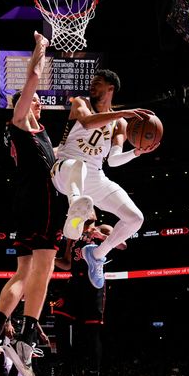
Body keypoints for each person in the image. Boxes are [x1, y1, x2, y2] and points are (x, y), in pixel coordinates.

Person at [0, 31, 64, 376]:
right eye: (33, 100)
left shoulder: (39, 133)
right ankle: (23, 342)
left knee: (23, 274)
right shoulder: (21, 122)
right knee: (46, 266)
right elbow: (34, 80)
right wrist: (40, 48)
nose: (38, 102)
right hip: (40, 202)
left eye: (37, 100)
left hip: (26, 202)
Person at [50, 69, 158, 289]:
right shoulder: (81, 102)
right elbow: (89, 123)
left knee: (135, 218)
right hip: (64, 169)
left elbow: (114, 161)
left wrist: (136, 153)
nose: (92, 86)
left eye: (97, 83)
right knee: (77, 166)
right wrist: (121, 113)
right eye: (92, 82)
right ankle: (75, 211)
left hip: (95, 176)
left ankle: (97, 254)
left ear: (111, 88)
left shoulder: (120, 124)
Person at [52, 217, 126, 376]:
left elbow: (122, 245)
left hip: (93, 286)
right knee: (59, 322)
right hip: (74, 284)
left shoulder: (103, 227)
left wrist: (101, 236)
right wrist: (49, 260)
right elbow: (67, 264)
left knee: (91, 335)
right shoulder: (72, 232)